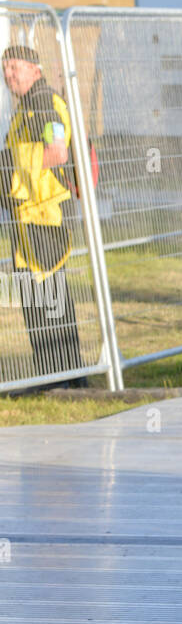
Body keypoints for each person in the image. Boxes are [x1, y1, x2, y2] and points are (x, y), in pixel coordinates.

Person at [0, 44, 87, 388]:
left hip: (45, 218)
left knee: (49, 298)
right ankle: (61, 374)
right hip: (26, 219)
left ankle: (61, 377)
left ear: (35, 69)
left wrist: (12, 170)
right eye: (5, 70)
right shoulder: (25, 109)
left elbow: (57, 152)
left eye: (15, 68)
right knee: (36, 297)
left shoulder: (45, 104)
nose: (9, 76)